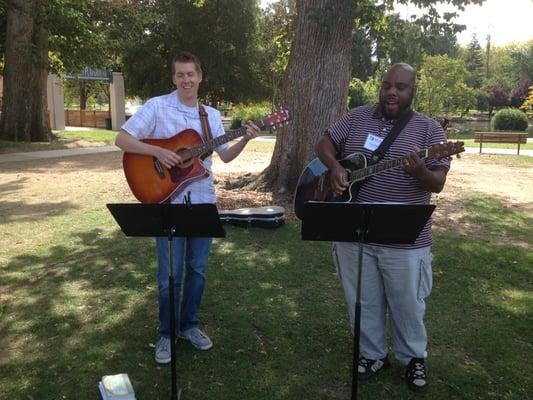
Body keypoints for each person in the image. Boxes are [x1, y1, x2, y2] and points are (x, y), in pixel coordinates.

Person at [115, 51, 260, 364]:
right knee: (170, 274)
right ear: (173, 78)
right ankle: (166, 333)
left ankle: (189, 326)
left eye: (190, 74)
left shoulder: (210, 115)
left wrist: (246, 139)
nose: (186, 80)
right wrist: (158, 152)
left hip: (203, 203)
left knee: (197, 271)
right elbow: (123, 140)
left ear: (200, 77)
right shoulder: (156, 106)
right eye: (180, 75)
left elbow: (227, 155)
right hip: (167, 201)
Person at [315, 63, 450, 392]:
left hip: (405, 237)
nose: (392, 91)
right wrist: (334, 167)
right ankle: (372, 353)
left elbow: (438, 183)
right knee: (362, 298)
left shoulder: (430, 131)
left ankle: (413, 357)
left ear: (412, 90)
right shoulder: (357, 117)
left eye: (401, 87)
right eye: (387, 84)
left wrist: (419, 172)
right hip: (354, 229)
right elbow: (324, 144)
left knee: (407, 303)